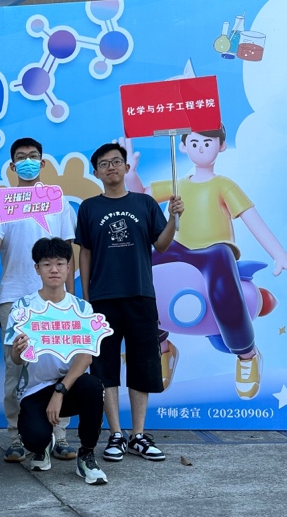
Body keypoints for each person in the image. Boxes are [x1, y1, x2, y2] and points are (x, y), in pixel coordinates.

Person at [121, 127, 287, 399]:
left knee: (222, 290)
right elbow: (141, 197)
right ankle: (161, 348)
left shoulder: (223, 185)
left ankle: (247, 355)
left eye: (207, 142)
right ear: (183, 146)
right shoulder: (178, 184)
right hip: (178, 248)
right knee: (138, 277)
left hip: (215, 250)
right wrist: (130, 175)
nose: (200, 147)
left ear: (221, 146)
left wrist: (282, 256)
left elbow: (252, 220)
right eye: (194, 142)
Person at [76, 143, 183, 463]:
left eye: (116, 162)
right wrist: (86, 297)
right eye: (104, 163)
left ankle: (138, 435)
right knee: (104, 367)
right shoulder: (89, 207)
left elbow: (161, 245)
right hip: (102, 298)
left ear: (126, 167)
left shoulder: (144, 203)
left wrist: (174, 219)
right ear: (96, 172)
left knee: (142, 365)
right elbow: (85, 253)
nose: (111, 167)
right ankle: (115, 434)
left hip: (140, 295)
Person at [0, 137, 77, 463]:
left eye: (33, 156)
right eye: (21, 157)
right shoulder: (1, 202)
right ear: (12, 165)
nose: (28, 161)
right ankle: (15, 436)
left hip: (56, 299)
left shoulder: (58, 201)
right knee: (15, 369)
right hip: (14, 297)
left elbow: (67, 252)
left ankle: (60, 436)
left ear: (43, 162)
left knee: (59, 364)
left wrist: (70, 297)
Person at [4, 238, 107, 485]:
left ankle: (87, 455)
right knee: (34, 439)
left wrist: (60, 391)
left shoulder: (81, 308)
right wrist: (18, 350)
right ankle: (43, 445)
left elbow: (86, 356)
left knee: (93, 387)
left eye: (60, 263)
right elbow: (15, 359)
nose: (54, 269)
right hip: (35, 390)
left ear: (69, 268)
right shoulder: (23, 307)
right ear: (37, 268)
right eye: (47, 264)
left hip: (69, 386)